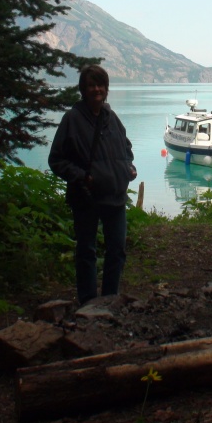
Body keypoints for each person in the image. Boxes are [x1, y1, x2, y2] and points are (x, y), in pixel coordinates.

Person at [48, 65, 137, 306]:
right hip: (86, 198)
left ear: (106, 89)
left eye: (101, 84)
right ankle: (88, 302)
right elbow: (56, 160)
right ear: (84, 90)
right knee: (87, 251)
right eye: (91, 85)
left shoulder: (112, 118)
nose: (97, 89)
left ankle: (109, 299)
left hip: (115, 196)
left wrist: (128, 166)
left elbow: (126, 148)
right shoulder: (72, 120)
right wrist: (81, 177)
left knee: (117, 250)